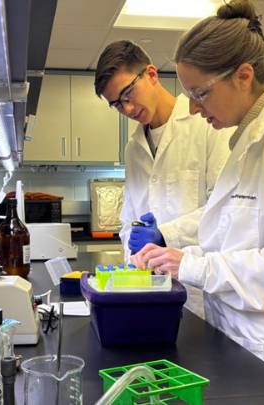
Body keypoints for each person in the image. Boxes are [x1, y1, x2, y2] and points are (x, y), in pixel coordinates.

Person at [131, 1, 264, 403]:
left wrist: (193, 264)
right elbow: (233, 240)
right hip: (249, 345)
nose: (194, 109)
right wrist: (177, 253)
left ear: (244, 76)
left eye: (200, 93)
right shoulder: (247, 141)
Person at [94, 40, 231, 319]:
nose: (128, 109)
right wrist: (130, 267)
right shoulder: (133, 147)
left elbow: (224, 210)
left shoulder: (207, 126)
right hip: (147, 289)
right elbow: (128, 220)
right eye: (117, 104)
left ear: (152, 75)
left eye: (128, 93)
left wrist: (165, 234)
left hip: (199, 292)